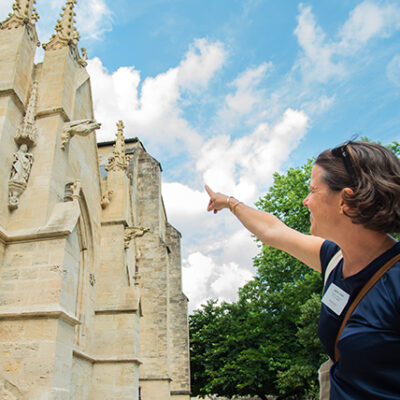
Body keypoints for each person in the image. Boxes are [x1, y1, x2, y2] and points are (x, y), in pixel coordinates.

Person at [205, 140, 400, 399]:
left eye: (313, 190)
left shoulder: (395, 281)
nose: (305, 201)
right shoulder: (334, 259)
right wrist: (229, 202)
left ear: (346, 200)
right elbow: (273, 231)